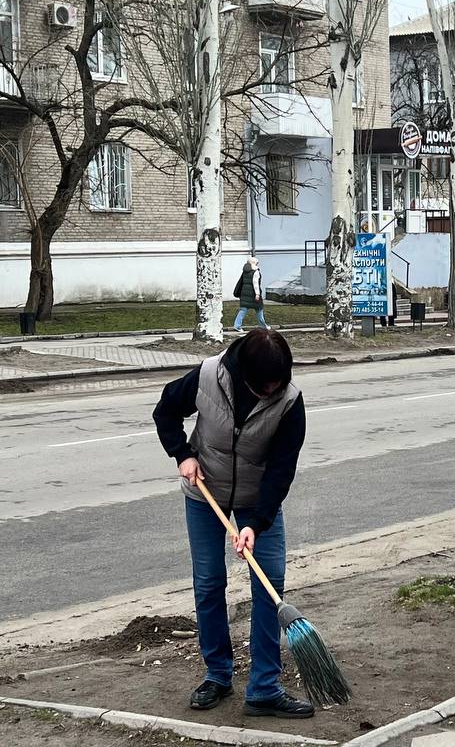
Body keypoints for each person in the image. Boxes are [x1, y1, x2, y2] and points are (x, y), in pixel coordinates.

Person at [152, 329, 314, 718]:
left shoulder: (289, 401)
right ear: (245, 375)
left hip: (260, 501)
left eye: (278, 384)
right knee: (209, 583)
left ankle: (263, 688)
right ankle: (218, 675)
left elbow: (280, 469)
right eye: (264, 386)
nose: (271, 391)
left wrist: (255, 524)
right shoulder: (209, 376)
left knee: (268, 583)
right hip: (205, 494)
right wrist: (182, 454)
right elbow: (166, 411)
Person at [233, 257, 269, 332]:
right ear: (254, 263)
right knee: (259, 309)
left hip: (244, 293)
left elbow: (241, 281)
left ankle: (237, 325)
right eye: (257, 262)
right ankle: (263, 326)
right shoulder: (255, 271)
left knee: (243, 309)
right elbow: (255, 283)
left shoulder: (245, 271)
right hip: (253, 294)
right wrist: (257, 294)